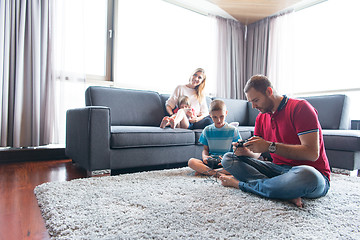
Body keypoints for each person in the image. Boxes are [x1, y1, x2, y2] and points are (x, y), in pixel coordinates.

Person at [219, 75, 331, 208]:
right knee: (228, 159)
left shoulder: (300, 108)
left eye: (256, 100)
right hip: (277, 170)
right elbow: (257, 153)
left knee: (308, 176)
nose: (254, 106)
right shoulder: (261, 117)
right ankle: (282, 190)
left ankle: (241, 185)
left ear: (269, 92)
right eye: (251, 102)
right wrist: (245, 151)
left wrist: (270, 146)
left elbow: (312, 153)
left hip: (309, 174)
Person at [188, 99, 241, 176]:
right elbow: (205, 149)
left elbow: (237, 151)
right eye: (215, 117)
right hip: (211, 161)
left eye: (221, 116)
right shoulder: (207, 130)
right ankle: (217, 173)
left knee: (239, 166)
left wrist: (228, 159)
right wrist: (205, 157)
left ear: (226, 113)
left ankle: (206, 172)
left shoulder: (233, 130)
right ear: (210, 115)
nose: (218, 120)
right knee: (191, 162)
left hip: (226, 161)